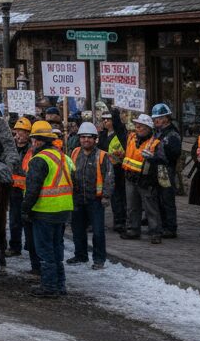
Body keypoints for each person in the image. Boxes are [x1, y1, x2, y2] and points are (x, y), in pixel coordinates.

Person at [21, 120, 74, 297]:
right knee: (57, 248)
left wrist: (25, 209)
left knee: (45, 251)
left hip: (45, 210)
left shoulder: (39, 159)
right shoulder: (62, 156)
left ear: (36, 141)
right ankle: (60, 285)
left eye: (33, 140)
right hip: (64, 209)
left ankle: (50, 287)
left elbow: (33, 189)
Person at [69, 121, 112, 269]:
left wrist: (106, 195)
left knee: (98, 232)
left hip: (96, 200)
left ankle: (99, 259)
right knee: (77, 230)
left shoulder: (102, 156)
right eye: (83, 137)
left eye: (89, 137)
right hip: (77, 199)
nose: (85, 140)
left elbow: (109, 176)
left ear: (95, 139)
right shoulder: (74, 153)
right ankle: (80, 255)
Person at [120, 114, 163, 243]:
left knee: (151, 208)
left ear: (149, 128)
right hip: (130, 178)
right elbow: (119, 129)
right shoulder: (131, 138)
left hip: (146, 180)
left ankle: (155, 233)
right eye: (137, 125)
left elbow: (163, 160)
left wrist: (153, 158)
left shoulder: (155, 143)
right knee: (132, 206)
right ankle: (133, 230)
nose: (137, 128)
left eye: (141, 126)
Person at [150, 103, 182, 238]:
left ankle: (170, 227)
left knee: (167, 199)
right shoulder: (158, 133)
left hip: (165, 169)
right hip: (158, 168)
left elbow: (174, 154)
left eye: (157, 118)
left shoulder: (172, 134)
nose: (155, 120)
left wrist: (158, 157)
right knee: (158, 198)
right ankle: (163, 225)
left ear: (165, 118)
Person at [7, 117, 34, 259]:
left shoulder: (33, 150)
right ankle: (14, 246)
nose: (19, 135)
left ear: (28, 134)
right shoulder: (11, 148)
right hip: (14, 191)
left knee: (28, 222)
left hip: (28, 191)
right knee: (14, 220)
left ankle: (30, 248)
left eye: (22, 132)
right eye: (17, 131)